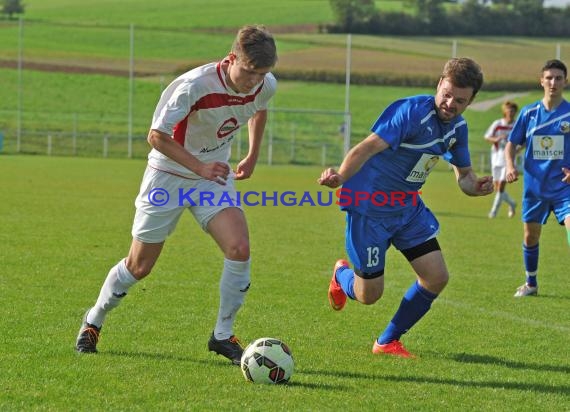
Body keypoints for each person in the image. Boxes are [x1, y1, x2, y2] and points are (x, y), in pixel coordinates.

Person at [75, 25, 278, 365]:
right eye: (248, 71)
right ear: (231, 59)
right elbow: (156, 136)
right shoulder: (193, 86)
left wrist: (253, 154)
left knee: (239, 248)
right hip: (167, 176)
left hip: (211, 178)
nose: (254, 81)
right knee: (139, 266)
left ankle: (222, 336)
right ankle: (94, 319)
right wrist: (198, 167)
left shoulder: (264, 84)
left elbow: (259, 107)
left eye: (262, 74)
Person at [318, 58, 493, 358]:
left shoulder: (457, 129)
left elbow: (464, 176)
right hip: (369, 209)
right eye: (447, 94)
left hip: (407, 210)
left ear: (471, 100)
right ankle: (341, 276)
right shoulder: (411, 112)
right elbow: (366, 147)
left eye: (460, 100)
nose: (450, 103)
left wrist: (476, 188)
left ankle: (387, 341)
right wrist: (341, 177)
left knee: (437, 276)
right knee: (368, 295)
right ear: (439, 84)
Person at [505, 59, 570, 298]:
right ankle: (531, 284)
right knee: (530, 236)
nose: (553, 82)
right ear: (541, 81)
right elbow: (512, 143)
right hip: (534, 187)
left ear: (565, 81)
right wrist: (511, 165)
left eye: (558, 78)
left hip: (564, 187)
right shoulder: (529, 113)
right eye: (549, 78)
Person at [484, 100, 518, 218]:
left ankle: (493, 212)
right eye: (508, 110)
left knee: (502, 185)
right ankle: (512, 203)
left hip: (509, 160)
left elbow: (524, 141)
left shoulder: (517, 125)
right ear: (504, 111)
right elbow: (487, 137)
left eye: (513, 111)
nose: (510, 113)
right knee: (497, 187)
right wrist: (497, 139)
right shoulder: (498, 123)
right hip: (496, 157)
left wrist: (517, 149)